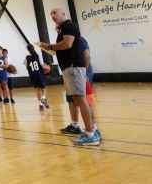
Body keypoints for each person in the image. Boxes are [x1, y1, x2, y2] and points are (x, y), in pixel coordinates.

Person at [40, 8, 99, 146]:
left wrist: (49, 46)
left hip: (74, 68)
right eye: (51, 14)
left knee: (81, 99)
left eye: (55, 13)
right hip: (70, 69)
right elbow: (64, 47)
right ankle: (90, 130)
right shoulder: (62, 29)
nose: (53, 16)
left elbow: (67, 44)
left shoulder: (68, 26)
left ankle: (91, 133)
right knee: (78, 99)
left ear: (64, 14)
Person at [25, 44, 48, 110]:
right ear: (33, 48)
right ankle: (43, 102)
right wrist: (48, 67)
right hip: (39, 74)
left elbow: (27, 67)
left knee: (38, 90)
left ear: (28, 50)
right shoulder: (38, 55)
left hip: (33, 75)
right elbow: (42, 66)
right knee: (43, 89)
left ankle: (41, 104)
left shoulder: (27, 58)